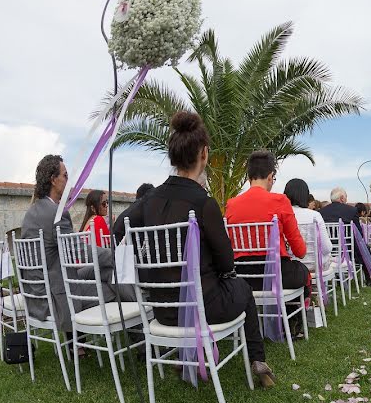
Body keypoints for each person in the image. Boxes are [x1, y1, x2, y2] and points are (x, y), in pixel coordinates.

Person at [119, 112, 274, 387]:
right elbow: (227, 263)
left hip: (162, 309)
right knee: (244, 289)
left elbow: (117, 229)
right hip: (203, 307)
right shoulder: (203, 203)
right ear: (204, 153)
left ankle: (185, 358)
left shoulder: (149, 200)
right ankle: (258, 361)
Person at [20, 155, 132, 333]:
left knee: (107, 270)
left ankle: (80, 345)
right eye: (65, 175)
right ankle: (141, 325)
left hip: (36, 296)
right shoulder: (56, 213)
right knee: (112, 282)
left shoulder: (31, 212)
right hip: (58, 298)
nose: (68, 180)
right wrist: (117, 255)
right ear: (53, 180)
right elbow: (78, 253)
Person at [225, 150, 310, 337]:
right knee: (303, 272)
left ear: (248, 177)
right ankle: (294, 320)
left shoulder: (231, 204)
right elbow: (301, 251)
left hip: (243, 277)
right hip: (275, 274)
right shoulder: (280, 200)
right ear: (271, 176)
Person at [320, 187, 371, 286]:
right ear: (341, 198)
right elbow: (359, 234)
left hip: (327, 251)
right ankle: (368, 278)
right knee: (364, 248)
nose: (346, 200)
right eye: (346, 198)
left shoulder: (321, 212)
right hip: (348, 251)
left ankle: (336, 276)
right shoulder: (352, 210)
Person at [285, 178, 334, 274]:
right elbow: (327, 248)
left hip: (290, 268)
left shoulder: (281, 215)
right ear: (305, 196)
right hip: (315, 267)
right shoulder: (315, 215)